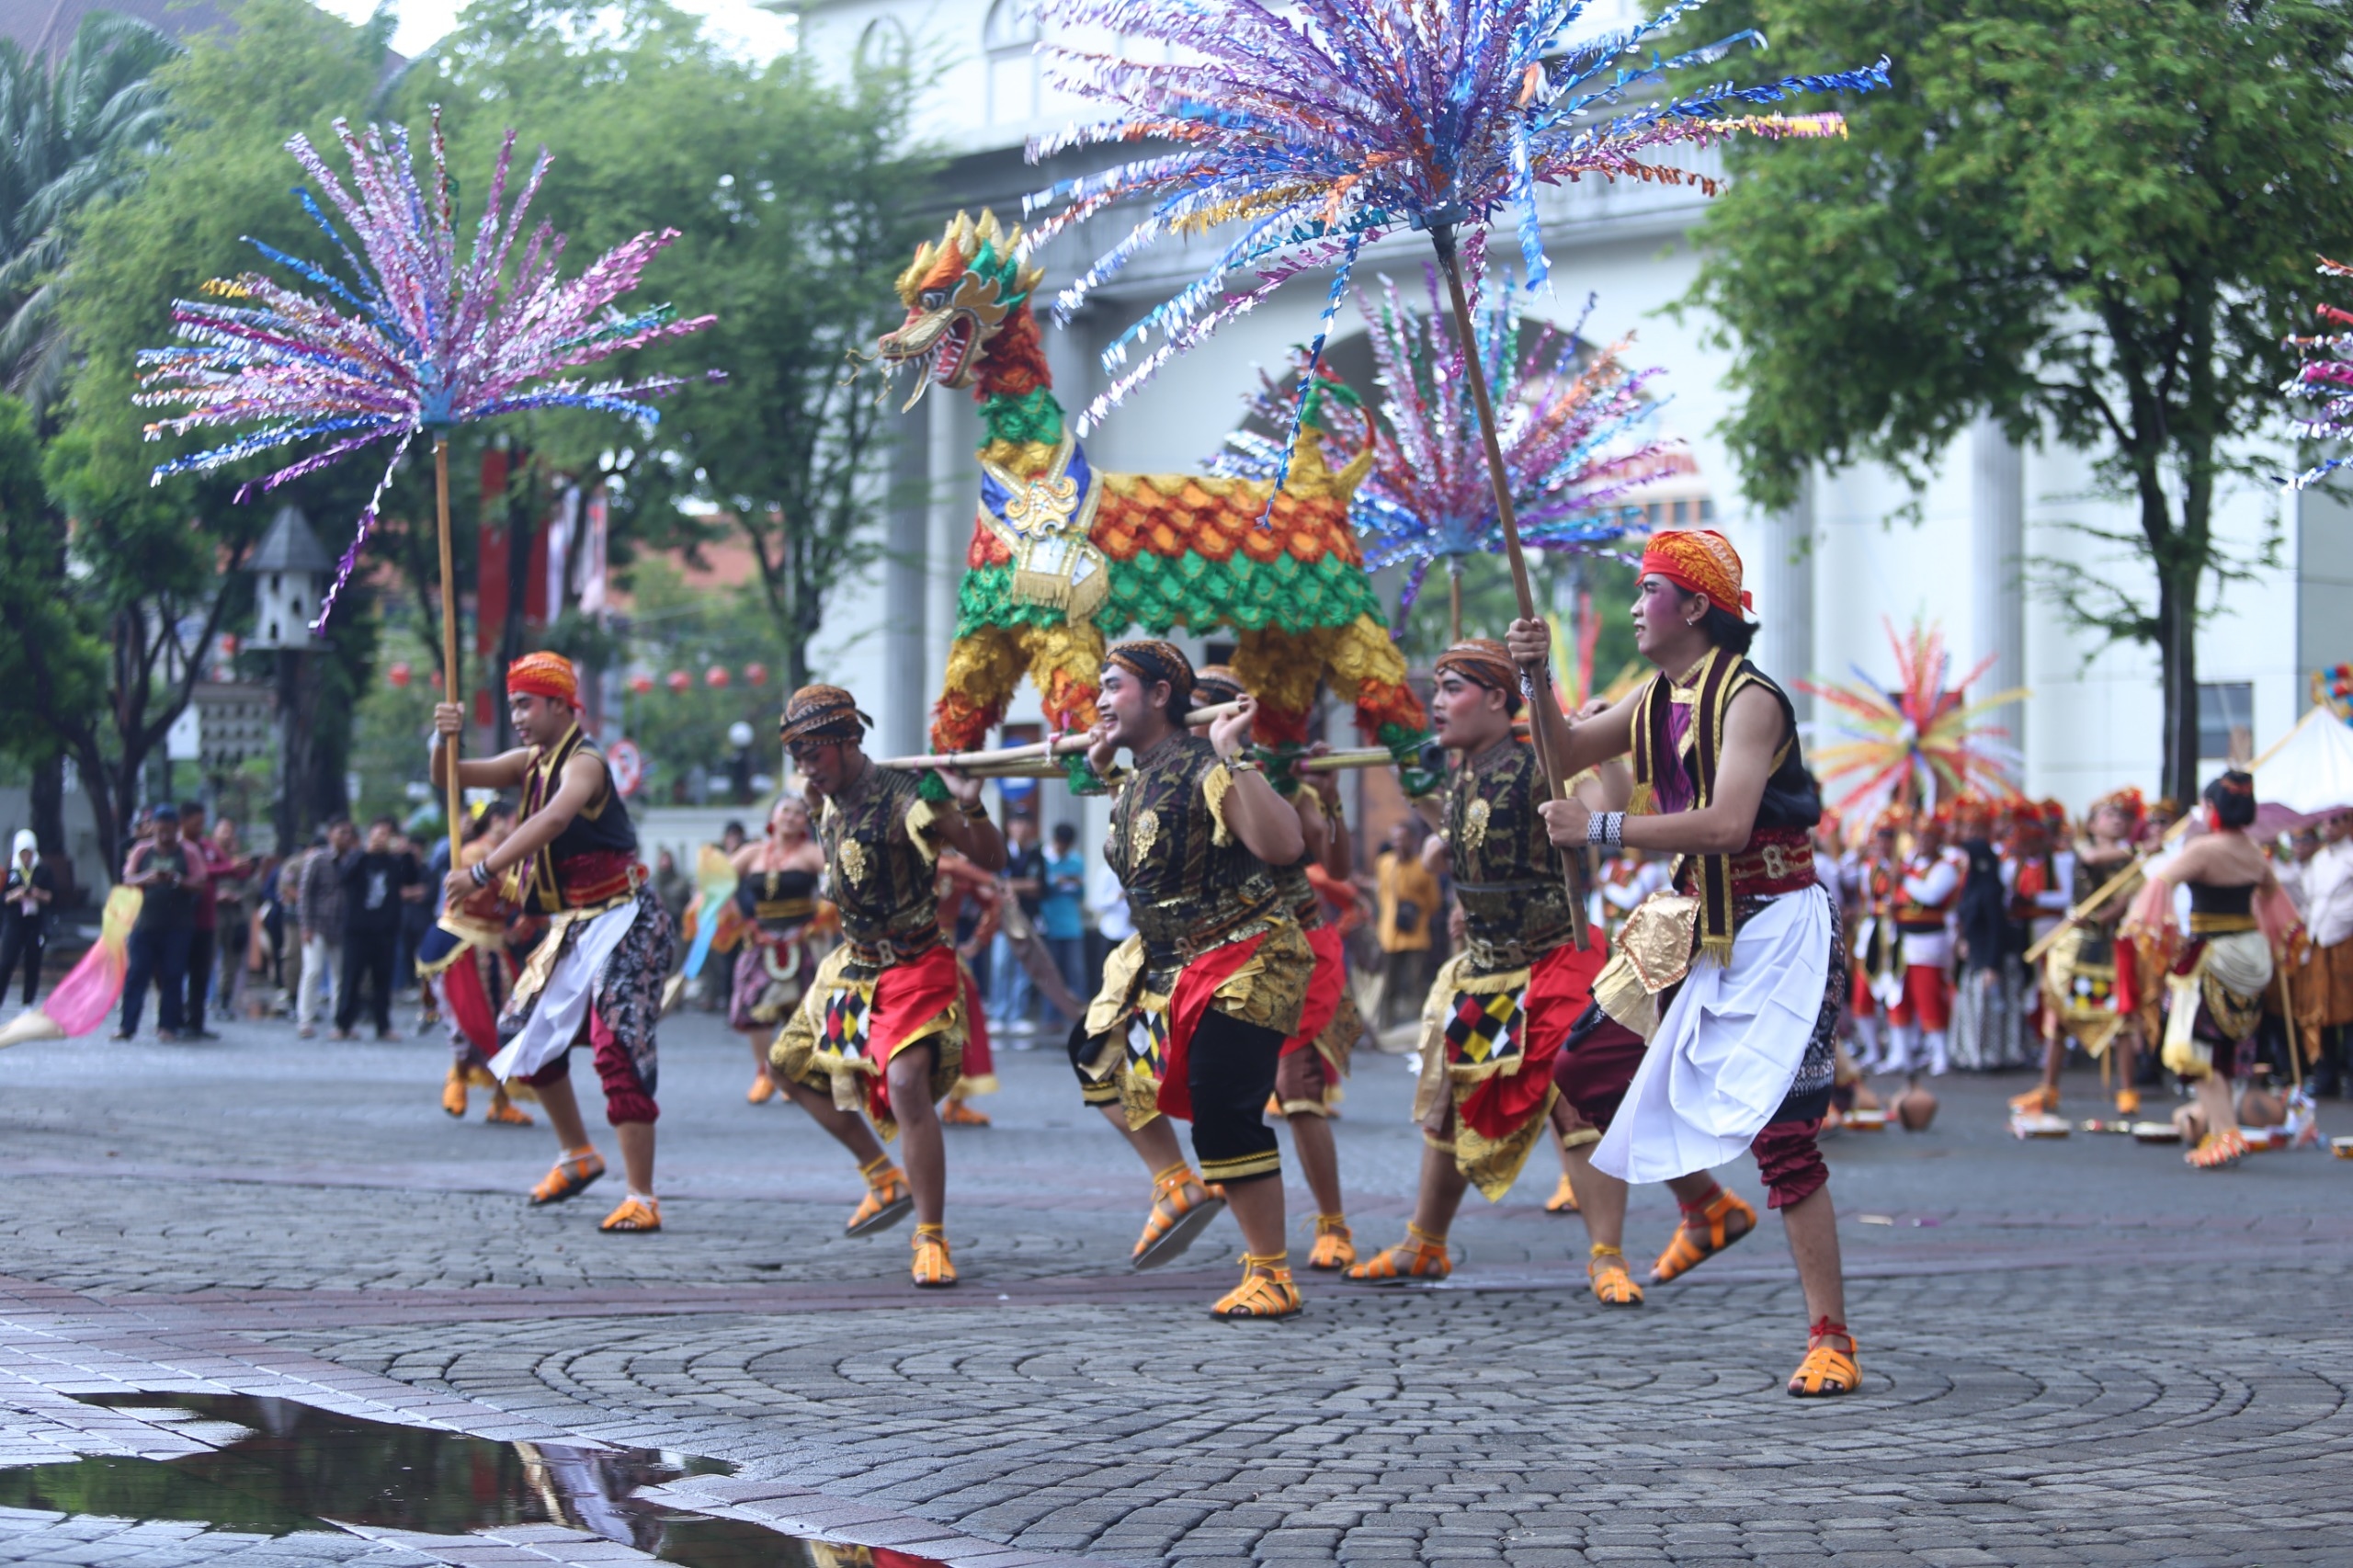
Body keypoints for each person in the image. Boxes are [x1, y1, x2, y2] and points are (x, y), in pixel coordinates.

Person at [1509, 528, 1859, 1398]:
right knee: (1585, 1066)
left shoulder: (1749, 700)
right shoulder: (1654, 695)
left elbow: (1728, 825)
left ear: (1696, 607)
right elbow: (1564, 752)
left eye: (1649, 590)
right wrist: (1535, 675)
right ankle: (1707, 1206)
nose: (1634, 605)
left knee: (1787, 1141)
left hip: (1776, 927)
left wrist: (1599, 829)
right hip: (1689, 918)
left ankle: (1832, 1337)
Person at [1343, 641, 1608, 1289]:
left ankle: (1611, 1258)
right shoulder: (1462, 772)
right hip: (1488, 969)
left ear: (1497, 698)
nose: (1438, 702)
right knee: (1452, 1104)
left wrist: (1544, 679)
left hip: (1553, 959)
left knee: (1576, 1100)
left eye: (1453, 688)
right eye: (1436, 688)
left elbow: (1592, 851)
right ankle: (1423, 1242)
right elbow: (1468, 845)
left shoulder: (1540, 762)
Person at [1069, 641, 1313, 1318]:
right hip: (1170, 962)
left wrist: (1236, 756)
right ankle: (1174, 1183)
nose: (1099, 699)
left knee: (1223, 1104)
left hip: (1244, 956)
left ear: (1158, 696)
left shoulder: (1210, 763)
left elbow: (1286, 847)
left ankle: (1272, 1273)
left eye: (1113, 686)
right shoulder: (1141, 772)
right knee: (1096, 1053)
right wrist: (1101, 772)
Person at [431, 653, 677, 1233]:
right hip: (575, 922)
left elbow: (552, 822)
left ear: (563, 705)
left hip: (625, 916)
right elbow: (450, 777)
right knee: (521, 1034)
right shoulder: (531, 761)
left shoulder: (585, 763)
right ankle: (577, 1153)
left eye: (526, 703)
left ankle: (642, 1195)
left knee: (617, 1046)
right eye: (513, 703)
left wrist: (483, 872)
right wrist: (442, 738)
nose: (517, 715)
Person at [768, 684, 1005, 1288]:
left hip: (913, 964)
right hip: (853, 971)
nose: (806, 769)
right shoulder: (822, 797)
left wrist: (969, 804)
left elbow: (991, 858)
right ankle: (881, 1174)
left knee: (904, 1082)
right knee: (789, 1066)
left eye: (814, 754)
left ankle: (931, 1237)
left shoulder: (908, 799)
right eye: (797, 758)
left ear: (849, 742)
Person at [1191, 666, 1364, 1271]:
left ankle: (1333, 1225)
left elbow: (1338, 869)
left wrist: (1332, 795)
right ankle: (1181, 1184)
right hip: (1224, 956)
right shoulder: (1177, 781)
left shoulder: (1272, 779)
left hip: (1297, 952)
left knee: (1299, 1092)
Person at [2134, 772, 2299, 1167]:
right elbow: (2274, 895)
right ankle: (2214, 1127)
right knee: (2224, 1051)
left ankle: (2226, 1134)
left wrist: (2159, 932)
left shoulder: (2206, 851)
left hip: (2212, 957)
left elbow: (2162, 881)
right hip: (2250, 953)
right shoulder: (2254, 853)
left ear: (2212, 809)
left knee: (2197, 1051)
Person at [2017, 787, 2144, 1117]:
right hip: (2074, 945)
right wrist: (2137, 850)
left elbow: (2125, 901)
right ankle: (2048, 1089)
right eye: (2110, 815)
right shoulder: (2085, 847)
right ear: (2092, 822)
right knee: (2059, 1016)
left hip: (2109, 946)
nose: (2117, 822)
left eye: (2123, 817)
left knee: (2122, 1020)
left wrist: (2103, 916)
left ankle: (2127, 1092)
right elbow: (2090, 859)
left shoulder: (2131, 865)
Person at [426, 801, 533, 1125]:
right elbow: (485, 892)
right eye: (517, 819)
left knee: (506, 1027)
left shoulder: (517, 858)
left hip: (495, 948)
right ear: (497, 821)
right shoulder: (473, 853)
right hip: (459, 947)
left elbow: (529, 901)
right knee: (467, 1024)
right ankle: (457, 1077)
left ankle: (500, 1101)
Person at [731, 796, 825, 1105]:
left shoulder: (811, 853)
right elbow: (714, 885)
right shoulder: (752, 853)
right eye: (786, 810)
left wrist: (818, 919)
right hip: (760, 940)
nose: (791, 817)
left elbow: (839, 883)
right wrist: (742, 921)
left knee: (801, 1009)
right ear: (773, 815)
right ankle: (763, 1074)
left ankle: (793, 1073)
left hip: (802, 939)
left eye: (799, 813)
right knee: (756, 1007)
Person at [1881, 803, 1963, 1077]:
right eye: (1920, 837)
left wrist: (1903, 879)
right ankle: (1899, 1054)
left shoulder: (1944, 869)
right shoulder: (1909, 867)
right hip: (1902, 940)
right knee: (1898, 996)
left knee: (1927, 995)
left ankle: (1940, 1055)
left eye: (1929, 837)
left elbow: (1930, 896)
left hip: (1928, 941)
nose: (1923, 842)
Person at [118, 804, 206, 1040]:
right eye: (160, 830)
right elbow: (126, 880)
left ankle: (168, 1026)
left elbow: (200, 882)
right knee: (137, 974)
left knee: (173, 975)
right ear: (152, 828)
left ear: (177, 828)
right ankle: (127, 1026)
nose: (164, 835)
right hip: (144, 925)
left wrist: (177, 880)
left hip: (178, 926)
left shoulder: (188, 852)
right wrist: (146, 879)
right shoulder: (141, 850)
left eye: (169, 830)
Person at [335, 816, 417, 1041]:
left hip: (386, 931)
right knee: (351, 978)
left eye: (387, 835)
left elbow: (411, 877)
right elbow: (343, 876)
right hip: (357, 930)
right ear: (370, 835)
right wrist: (365, 851)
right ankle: (344, 1025)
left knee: (383, 980)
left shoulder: (394, 862)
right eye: (379, 834)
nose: (382, 839)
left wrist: (406, 852)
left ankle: (383, 1026)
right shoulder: (358, 858)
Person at [1372, 817, 1439, 1031]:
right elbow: (1381, 895)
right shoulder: (1384, 863)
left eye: (1403, 839)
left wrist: (1415, 911)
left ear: (1413, 840)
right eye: (1395, 839)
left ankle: (1423, 1028)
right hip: (1389, 934)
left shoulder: (1423, 866)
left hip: (1416, 935)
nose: (1398, 843)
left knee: (1417, 984)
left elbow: (1433, 901)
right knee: (1387, 985)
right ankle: (1384, 1026)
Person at [176, 801, 234, 1040]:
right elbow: (196, 872)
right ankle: (173, 1020)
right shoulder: (177, 848)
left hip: (206, 919)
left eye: (203, 823)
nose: (200, 827)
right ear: (183, 820)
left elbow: (230, 868)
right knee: (176, 972)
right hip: (180, 920)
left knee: (201, 973)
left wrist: (242, 866)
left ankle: (196, 1022)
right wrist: (226, 868)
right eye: (196, 822)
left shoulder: (208, 845)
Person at [296, 821, 356, 1040]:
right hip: (318, 924)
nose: (345, 837)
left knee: (340, 976)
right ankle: (305, 1020)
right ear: (331, 834)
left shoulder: (353, 860)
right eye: (341, 832)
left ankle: (338, 1021)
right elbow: (305, 894)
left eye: (349, 833)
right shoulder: (318, 860)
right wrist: (306, 926)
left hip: (342, 927)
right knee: (312, 971)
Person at [991, 815, 1044, 1032]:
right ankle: (998, 1013)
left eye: (1025, 823)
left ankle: (1017, 1014)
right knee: (1000, 966)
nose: (1020, 828)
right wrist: (1011, 886)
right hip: (1003, 919)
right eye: (1016, 823)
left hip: (1027, 919)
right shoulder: (1000, 851)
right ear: (1009, 826)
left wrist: (1010, 886)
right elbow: (992, 882)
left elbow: (1037, 885)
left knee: (1023, 968)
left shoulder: (1035, 853)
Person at [1, 831, 57, 1009]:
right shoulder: (10, 872)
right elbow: (2, 898)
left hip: (35, 921)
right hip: (14, 921)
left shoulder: (43, 870)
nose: (26, 857)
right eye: (23, 853)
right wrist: (14, 895)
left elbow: (52, 897)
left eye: (29, 853)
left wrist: (37, 894)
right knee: (6, 961)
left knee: (33, 962)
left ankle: (28, 1003)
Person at [1040, 822, 1089, 1007]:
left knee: (1077, 972)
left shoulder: (1076, 861)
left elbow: (1081, 894)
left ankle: (1078, 1013)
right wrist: (1055, 882)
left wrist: (1075, 883)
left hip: (1072, 926)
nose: (1062, 848)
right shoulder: (1045, 859)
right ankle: (1051, 1015)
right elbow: (1041, 889)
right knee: (1051, 974)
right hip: (1050, 924)